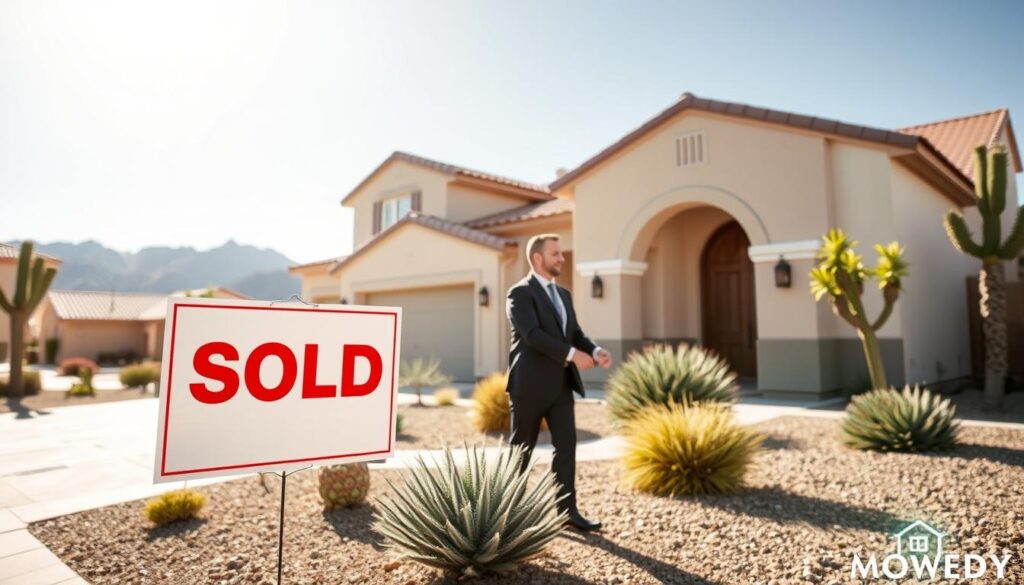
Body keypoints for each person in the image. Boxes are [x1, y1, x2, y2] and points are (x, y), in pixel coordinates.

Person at [505, 233, 612, 532]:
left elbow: (574, 332)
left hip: (561, 385)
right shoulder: (519, 294)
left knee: (566, 447)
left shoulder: (563, 294)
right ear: (538, 258)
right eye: (556, 254)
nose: (562, 258)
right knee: (521, 450)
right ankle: (509, 515)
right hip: (528, 386)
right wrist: (572, 354)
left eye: (561, 253)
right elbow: (532, 335)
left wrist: (593, 350)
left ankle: (567, 512)